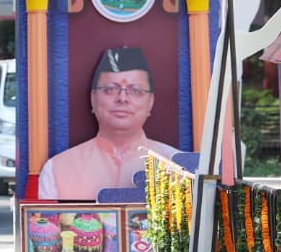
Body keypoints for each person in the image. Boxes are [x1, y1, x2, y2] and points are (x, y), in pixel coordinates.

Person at [38, 46, 177, 201]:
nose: (122, 98)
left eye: (135, 90)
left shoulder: (177, 167)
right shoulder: (58, 170)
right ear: (93, 99)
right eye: (110, 89)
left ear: (150, 102)